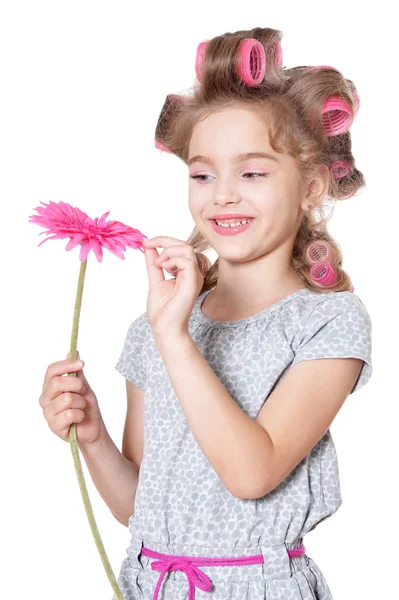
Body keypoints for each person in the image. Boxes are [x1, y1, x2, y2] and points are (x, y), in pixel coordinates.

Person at [39, 26, 372, 600]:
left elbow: (252, 472)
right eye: (201, 173)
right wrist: (92, 438)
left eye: (253, 172)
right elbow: (138, 506)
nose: (221, 194)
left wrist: (176, 342)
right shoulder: (156, 328)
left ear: (312, 185)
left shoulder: (328, 323)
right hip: (153, 584)